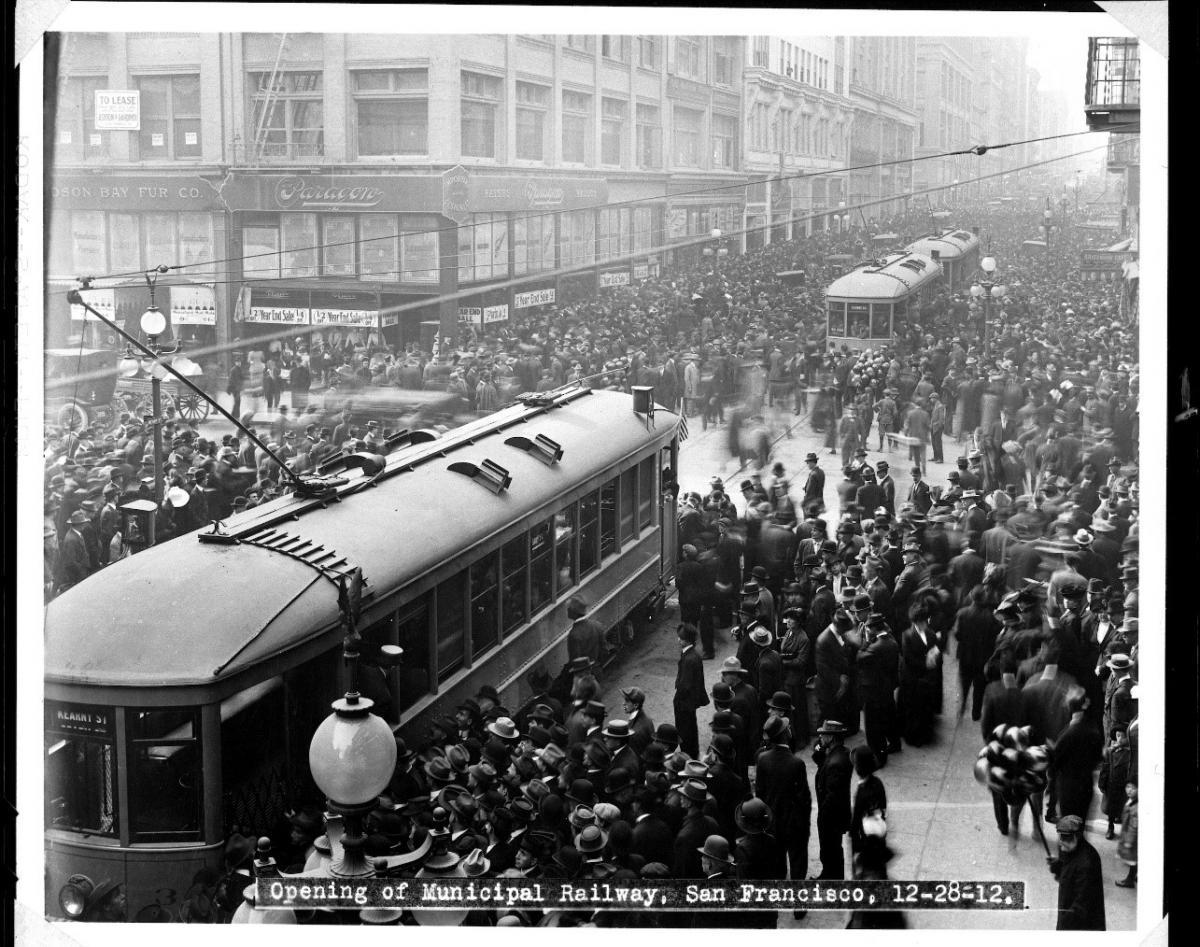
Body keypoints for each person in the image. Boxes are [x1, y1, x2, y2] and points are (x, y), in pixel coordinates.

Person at [753, 716, 811, 882]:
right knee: (798, 865)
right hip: (794, 824)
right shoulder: (797, 763)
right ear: (786, 734)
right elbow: (804, 799)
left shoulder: (763, 759)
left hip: (773, 822)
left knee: (777, 866)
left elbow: (760, 794)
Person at [1048, 814, 1106, 930]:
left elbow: (1081, 905)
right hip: (1069, 914)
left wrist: (1064, 925)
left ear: (1077, 836)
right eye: (1060, 837)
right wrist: (1059, 866)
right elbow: (1069, 871)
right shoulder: (1072, 849)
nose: (1060, 842)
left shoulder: (1087, 863)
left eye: (1064, 838)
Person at [813, 719, 852, 879]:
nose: (820, 737)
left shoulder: (836, 763)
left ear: (832, 737)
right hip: (833, 814)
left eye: (823, 735)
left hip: (831, 816)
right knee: (830, 849)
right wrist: (821, 748)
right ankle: (828, 874)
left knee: (831, 849)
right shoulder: (840, 752)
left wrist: (823, 817)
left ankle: (833, 879)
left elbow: (833, 796)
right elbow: (817, 759)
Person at [673, 624, 708, 759]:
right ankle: (693, 753)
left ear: (687, 640)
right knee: (691, 729)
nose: (678, 640)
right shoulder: (693, 654)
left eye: (681, 638)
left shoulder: (689, 658)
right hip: (690, 702)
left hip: (684, 703)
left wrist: (677, 699)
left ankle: (687, 757)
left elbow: (685, 685)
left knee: (684, 732)